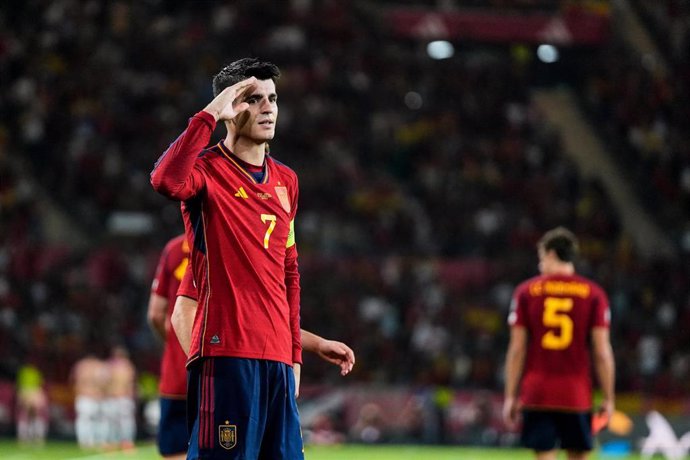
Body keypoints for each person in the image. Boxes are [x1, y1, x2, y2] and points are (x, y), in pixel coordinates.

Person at [150, 57, 318, 459]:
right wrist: (210, 114)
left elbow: (289, 273)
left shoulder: (287, 181)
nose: (268, 108)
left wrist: (294, 355)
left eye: (272, 98)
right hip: (225, 353)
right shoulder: (205, 170)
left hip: (277, 357)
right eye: (253, 99)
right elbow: (164, 180)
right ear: (230, 106)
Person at [148, 236, 355, 459]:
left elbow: (161, 314)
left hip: (197, 374)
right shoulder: (239, 248)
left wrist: (185, 350)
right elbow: (258, 325)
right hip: (233, 377)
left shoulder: (197, 248)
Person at [502, 227, 616, 460]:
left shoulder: (526, 292)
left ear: (552, 254)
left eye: (541, 258)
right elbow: (602, 352)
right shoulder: (594, 294)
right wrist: (608, 397)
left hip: (537, 392)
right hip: (576, 394)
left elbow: (517, 349)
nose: (540, 265)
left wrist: (511, 395)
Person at [71, 353, 109, 449]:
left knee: (85, 420)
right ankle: (98, 441)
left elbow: (73, 381)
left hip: (85, 396)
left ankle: (85, 442)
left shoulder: (80, 366)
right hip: (95, 396)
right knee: (97, 421)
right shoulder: (100, 366)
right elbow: (105, 384)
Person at [104, 345, 137, 451]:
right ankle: (119, 442)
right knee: (118, 421)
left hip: (121, 397)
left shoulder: (124, 367)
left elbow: (129, 384)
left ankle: (125, 442)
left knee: (123, 422)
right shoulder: (124, 367)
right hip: (119, 397)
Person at [15, 360, 49, 445]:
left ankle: (33, 437)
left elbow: (39, 384)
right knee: (26, 415)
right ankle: (26, 437)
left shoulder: (33, 372)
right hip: (29, 392)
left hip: (31, 392)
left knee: (32, 415)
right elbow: (21, 385)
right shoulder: (25, 372)